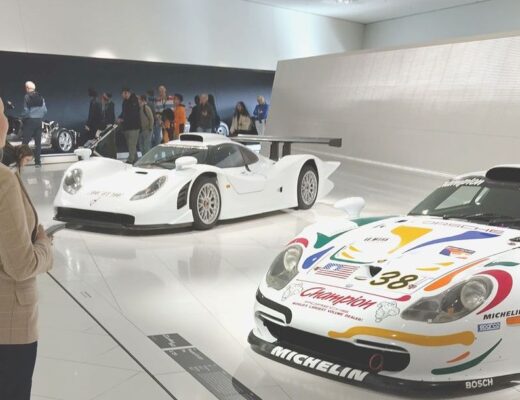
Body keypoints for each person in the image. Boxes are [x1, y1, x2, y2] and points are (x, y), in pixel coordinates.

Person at [0, 96, 54, 400]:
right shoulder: (3, 181)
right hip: (9, 325)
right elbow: (20, 265)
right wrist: (45, 247)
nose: (7, 120)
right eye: (3, 113)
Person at [21, 81, 47, 168]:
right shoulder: (41, 97)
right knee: (38, 143)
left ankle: (21, 161)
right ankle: (38, 163)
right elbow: (45, 110)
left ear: (28, 88)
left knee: (24, 143)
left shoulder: (27, 96)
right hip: (39, 121)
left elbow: (26, 111)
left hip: (30, 121)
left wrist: (22, 118)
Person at [117, 88, 140, 164]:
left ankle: (130, 160)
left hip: (133, 127)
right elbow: (124, 112)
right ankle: (135, 159)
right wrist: (120, 117)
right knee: (131, 145)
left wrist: (123, 120)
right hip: (127, 127)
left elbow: (133, 114)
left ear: (126, 93)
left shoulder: (134, 101)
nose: (122, 96)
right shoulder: (125, 102)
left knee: (131, 144)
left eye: (123, 94)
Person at [100, 92, 117, 159]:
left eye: (104, 97)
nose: (103, 98)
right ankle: (110, 156)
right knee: (108, 143)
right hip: (106, 126)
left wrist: (109, 124)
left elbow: (110, 116)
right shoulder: (106, 105)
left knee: (111, 142)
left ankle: (113, 157)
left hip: (110, 126)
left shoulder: (111, 104)